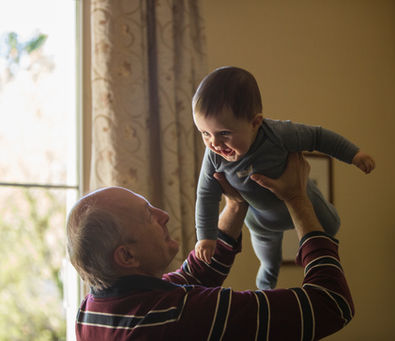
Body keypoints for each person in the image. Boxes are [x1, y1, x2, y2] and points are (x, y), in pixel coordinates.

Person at [67, 152, 354, 340]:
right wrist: (297, 199)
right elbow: (331, 304)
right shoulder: (181, 316)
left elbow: (192, 276)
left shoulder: (92, 311)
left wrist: (235, 205)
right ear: (127, 255)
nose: (163, 216)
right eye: (148, 216)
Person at [193, 66, 375, 289]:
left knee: (331, 226)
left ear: (255, 123)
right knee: (269, 260)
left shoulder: (278, 135)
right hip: (261, 220)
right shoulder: (213, 156)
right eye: (204, 133)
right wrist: (206, 237)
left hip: (302, 197)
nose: (214, 143)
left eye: (224, 133)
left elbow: (318, 137)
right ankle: (265, 288)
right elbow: (206, 195)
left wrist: (354, 154)